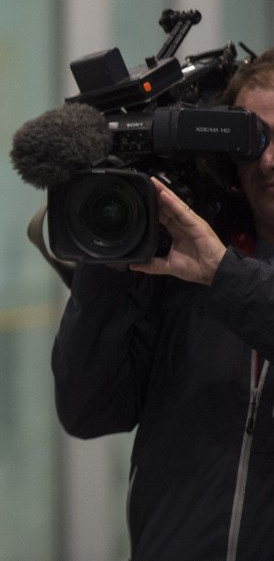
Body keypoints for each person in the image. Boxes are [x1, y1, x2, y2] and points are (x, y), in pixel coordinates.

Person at [52, 49, 274, 560]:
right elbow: (89, 412)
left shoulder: (213, 269)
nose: (268, 161)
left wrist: (223, 275)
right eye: (255, 138)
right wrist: (111, 256)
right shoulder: (186, 265)